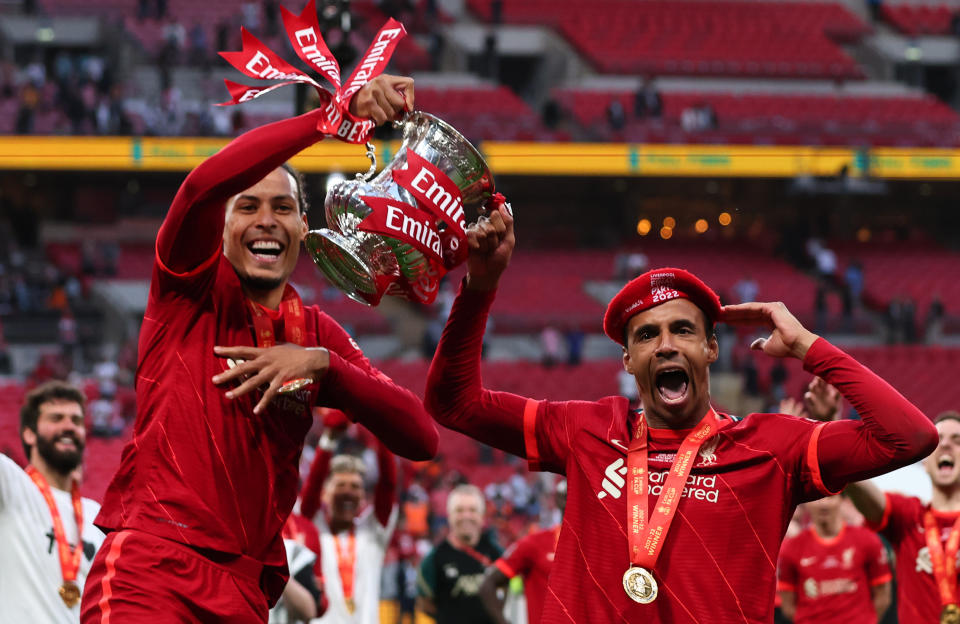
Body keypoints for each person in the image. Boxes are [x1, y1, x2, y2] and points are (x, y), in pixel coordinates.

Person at [423, 203, 937, 621]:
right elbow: (454, 404)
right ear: (628, 361)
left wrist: (807, 345)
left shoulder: (774, 448)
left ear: (711, 349)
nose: (666, 345)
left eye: (683, 330)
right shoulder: (585, 429)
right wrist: (481, 287)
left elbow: (910, 437)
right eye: (647, 335)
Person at [80, 74, 439, 623]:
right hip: (154, 567)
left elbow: (421, 435)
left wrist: (326, 370)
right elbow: (202, 185)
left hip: (246, 594)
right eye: (246, 207)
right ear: (220, 229)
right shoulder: (187, 285)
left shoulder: (317, 334)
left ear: (303, 227)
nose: (266, 220)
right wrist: (329, 119)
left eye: (283, 207)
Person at [1, 381, 105, 622]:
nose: (69, 426)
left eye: (76, 421)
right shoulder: (11, 486)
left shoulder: (97, 515)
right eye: (56, 418)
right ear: (29, 433)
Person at [846, 410, 960, 624]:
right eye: (938, 440)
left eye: (957, 440)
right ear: (925, 462)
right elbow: (856, 484)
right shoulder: (906, 515)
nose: (945, 445)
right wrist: (830, 422)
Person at [297, 422, 397, 624]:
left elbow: (388, 484)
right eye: (341, 485)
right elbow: (311, 490)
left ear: (363, 496)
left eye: (355, 487)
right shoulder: (314, 528)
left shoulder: (373, 533)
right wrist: (328, 441)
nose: (348, 492)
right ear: (325, 494)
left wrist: (382, 432)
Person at [777, 493, 892, 624]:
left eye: (830, 497)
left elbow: (883, 595)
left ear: (841, 501)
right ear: (806, 504)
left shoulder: (867, 540)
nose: (824, 504)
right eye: (817, 499)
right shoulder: (792, 548)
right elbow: (787, 604)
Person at [479, 479, 566, 624]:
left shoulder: (600, 550)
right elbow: (488, 585)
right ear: (558, 500)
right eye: (566, 496)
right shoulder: (535, 543)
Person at [417, 484, 502, 624]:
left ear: (482, 516)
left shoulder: (497, 553)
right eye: (459, 510)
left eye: (472, 510)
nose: (466, 516)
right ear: (449, 515)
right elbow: (424, 603)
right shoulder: (433, 559)